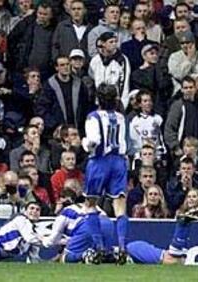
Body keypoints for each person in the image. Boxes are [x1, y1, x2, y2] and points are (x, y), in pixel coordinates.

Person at [81, 83, 128, 264]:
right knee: (120, 205)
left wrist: (85, 143)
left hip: (99, 161)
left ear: (98, 98)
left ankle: (99, 246)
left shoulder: (93, 117)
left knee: (90, 203)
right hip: (118, 161)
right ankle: (122, 246)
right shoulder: (121, 117)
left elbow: (93, 140)